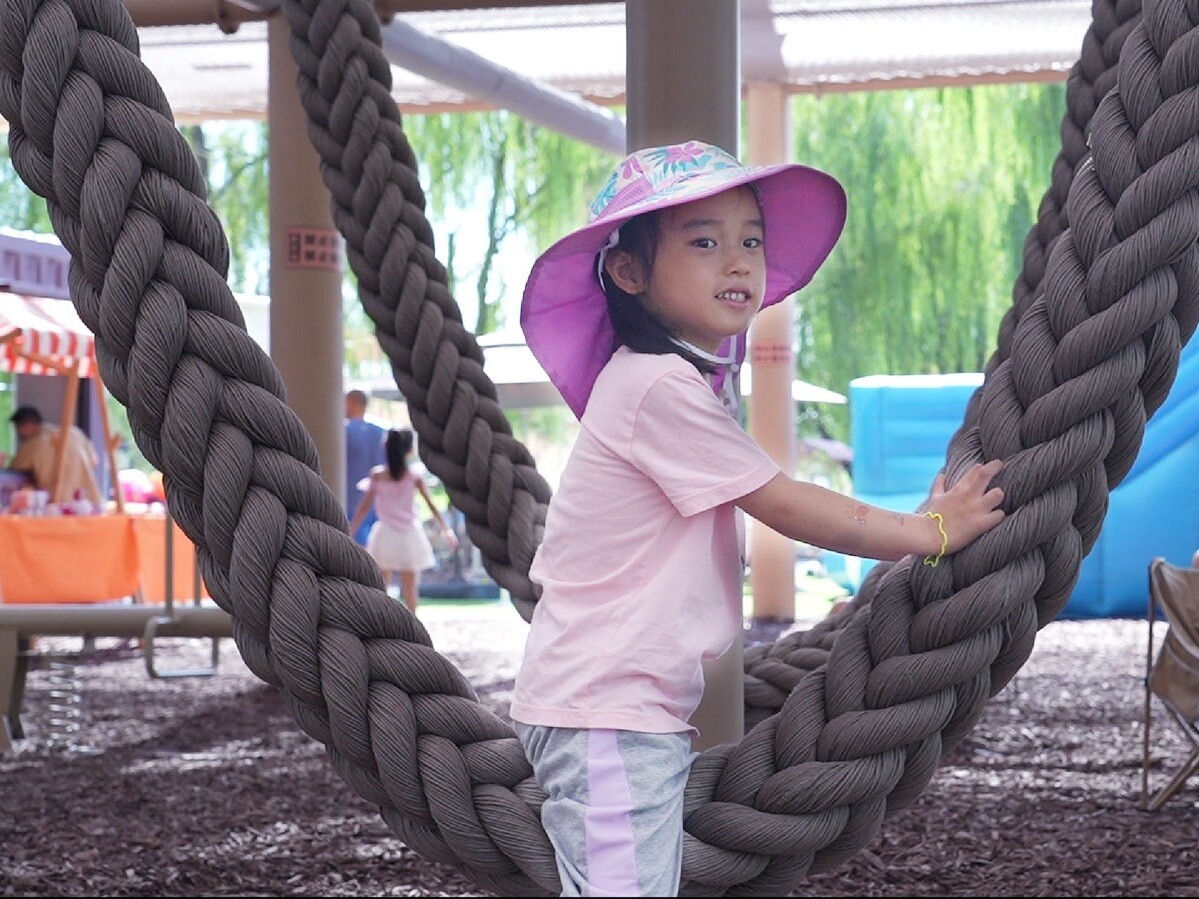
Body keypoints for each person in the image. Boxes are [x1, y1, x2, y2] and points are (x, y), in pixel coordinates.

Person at [510, 140, 1007, 897]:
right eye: (703, 241)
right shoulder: (653, 385)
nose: (737, 261)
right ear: (629, 271)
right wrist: (927, 531)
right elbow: (783, 502)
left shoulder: (669, 379)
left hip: (614, 707)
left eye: (750, 240)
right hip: (605, 714)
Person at [350, 428, 458, 613]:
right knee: (410, 589)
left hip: (384, 535)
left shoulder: (378, 476)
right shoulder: (413, 477)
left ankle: (381, 625)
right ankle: (412, 626)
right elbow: (432, 506)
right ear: (410, 450)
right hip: (409, 535)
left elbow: (363, 508)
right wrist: (446, 530)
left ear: (386, 448)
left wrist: (351, 530)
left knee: (381, 587)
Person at [5, 405, 102, 506]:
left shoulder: (33, 444)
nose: (17, 433)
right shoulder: (75, 433)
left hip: (61, 505)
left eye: (17, 428)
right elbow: (94, 461)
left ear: (27, 425)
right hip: (91, 503)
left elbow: (13, 471)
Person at [345, 388, 386, 545]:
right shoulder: (381, 432)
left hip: (351, 503)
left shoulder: (343, 432)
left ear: (352, 402)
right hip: (380, 505)